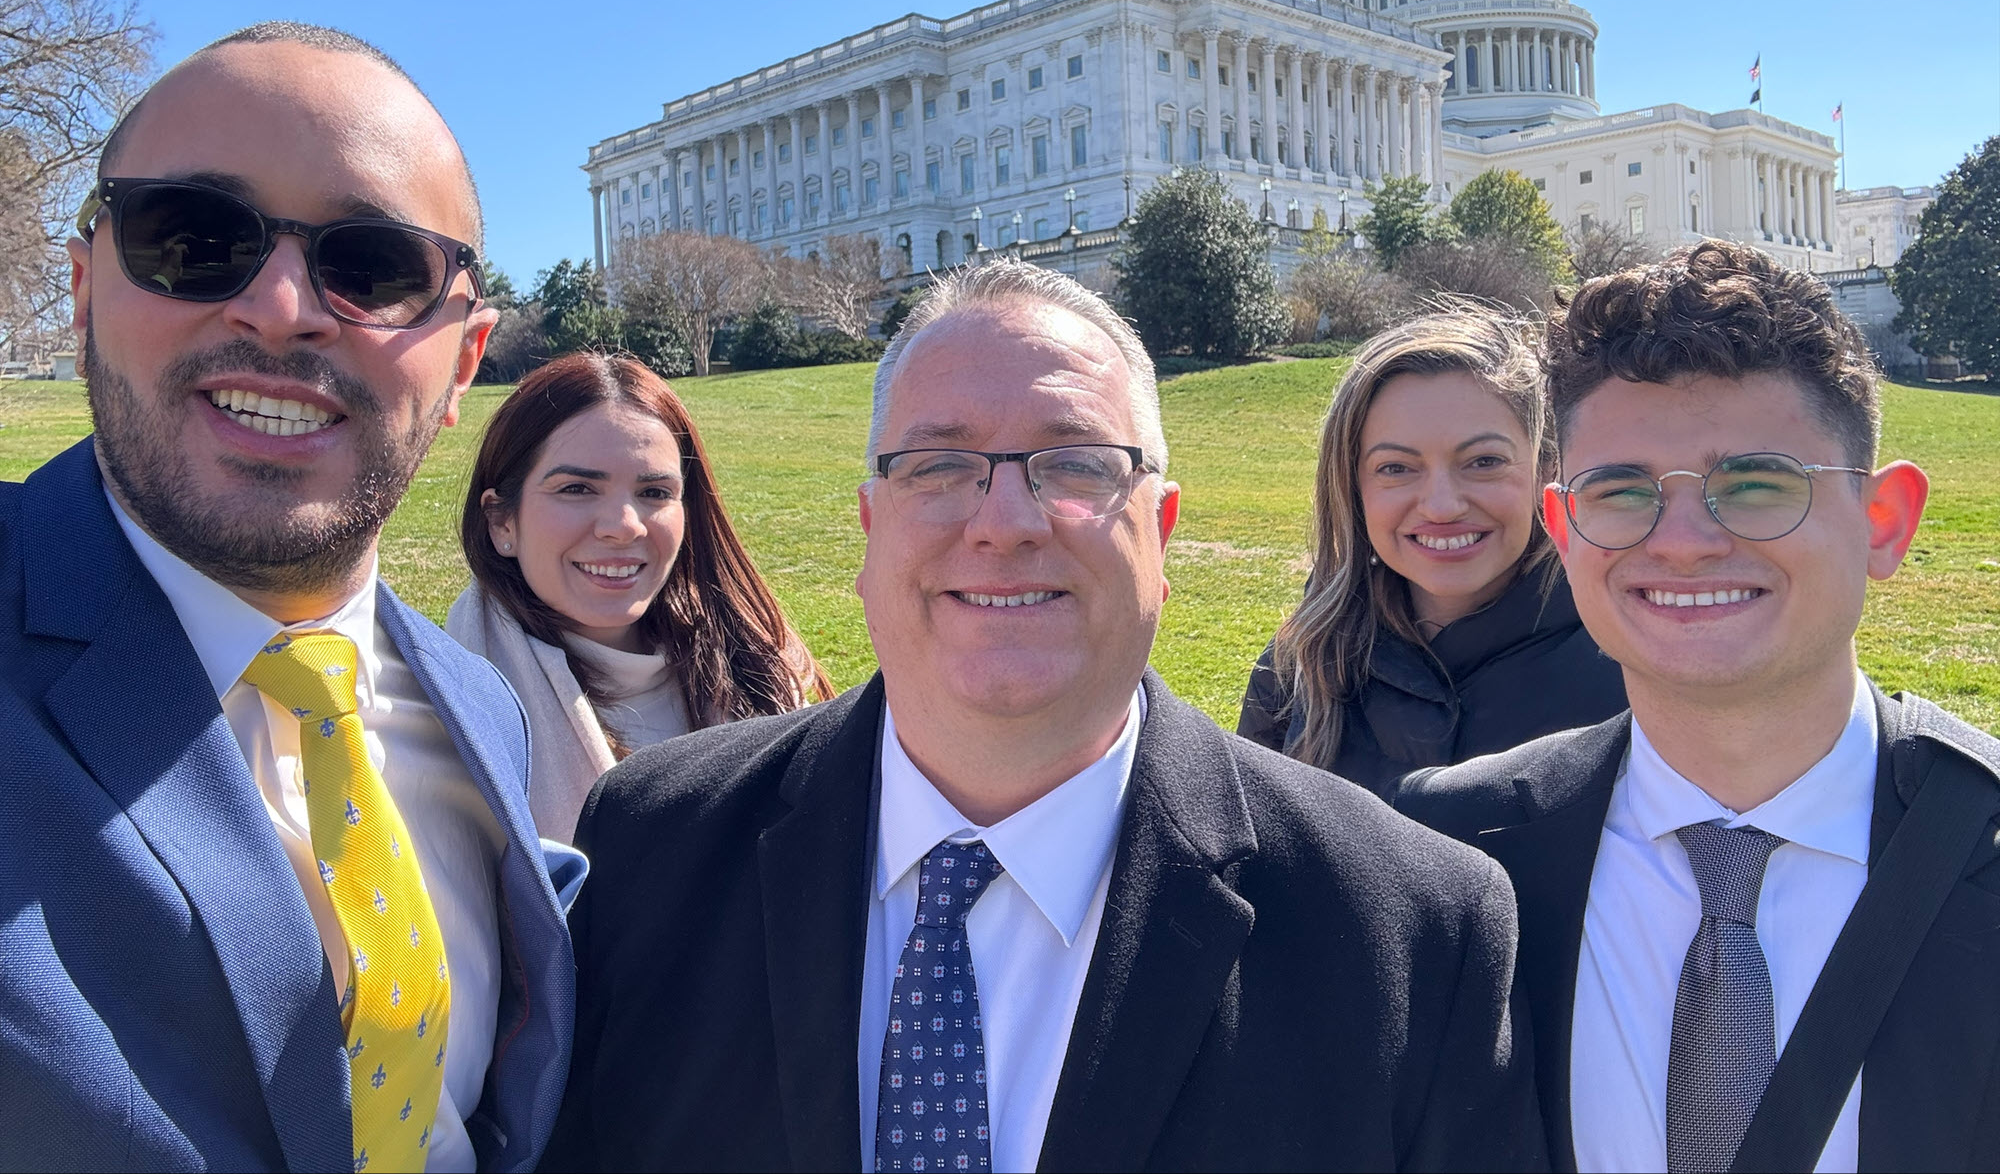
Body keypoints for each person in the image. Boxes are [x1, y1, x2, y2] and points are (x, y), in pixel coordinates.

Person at [544, 259, 1545, 1172]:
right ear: (870, 524)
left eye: (1076, 464)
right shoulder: (652, 846)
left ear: (1160, 529)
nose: (1004, 522)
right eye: (938, 466)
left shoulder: (1411, 931)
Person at [0, 23, 580, 1174]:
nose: (279, 306)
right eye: (191, 238)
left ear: (464, 362)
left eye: (373, 267)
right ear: (82, 288)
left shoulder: (478, 707)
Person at [1399, 240, 2000, 1172]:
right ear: (1565, 531)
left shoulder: (1980, 841)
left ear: (1885, 521)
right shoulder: (1452, 853)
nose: (1681, 541)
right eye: (1620, 490)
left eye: (1755, 484)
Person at [445, 350, 830, 842]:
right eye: (577, 488)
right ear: (502, 522)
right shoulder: (439, 713)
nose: (624, 526)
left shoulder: (762, 668)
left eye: (654, 493)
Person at [1238, 306, 1624, 796]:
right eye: (1396, 468)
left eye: (1484, 461)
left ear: (1545, 468)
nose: (1442, 506)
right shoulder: (1305, 656)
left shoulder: (1626, 664)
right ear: (1353, 487)